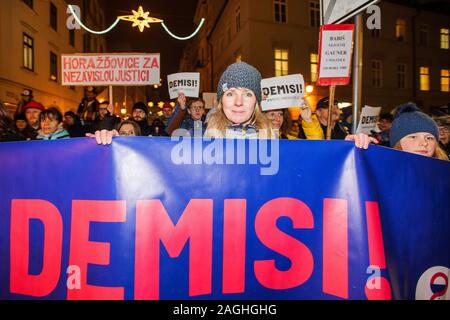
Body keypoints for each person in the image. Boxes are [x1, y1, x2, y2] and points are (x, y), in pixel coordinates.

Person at [204, 62, 274, 139]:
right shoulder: (205, 141)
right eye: (230, 94)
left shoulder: (273, 140)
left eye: (248, 94)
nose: (238, 102)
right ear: (221, 101)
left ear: (256, 102)